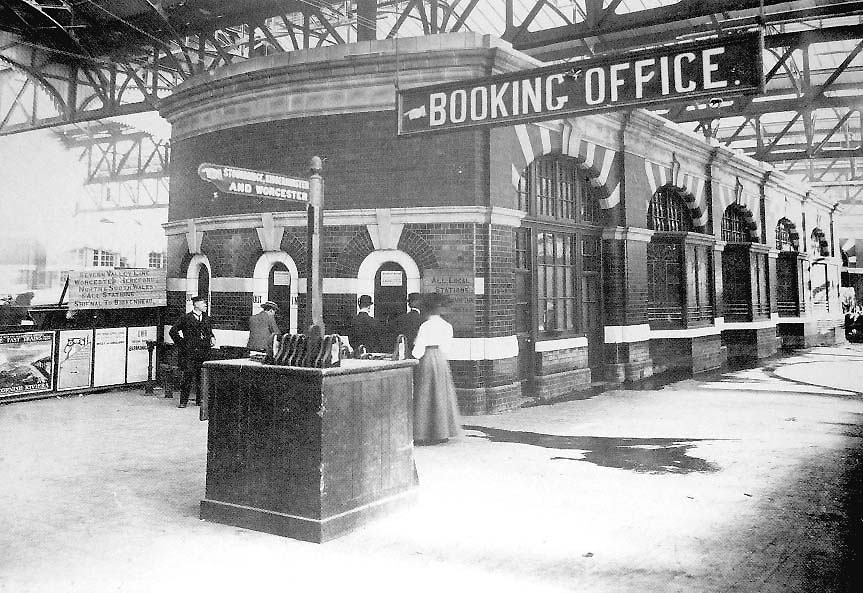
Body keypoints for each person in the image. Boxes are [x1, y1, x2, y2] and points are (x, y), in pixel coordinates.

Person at [411, 292, 463, 444]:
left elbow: (418, 349)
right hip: (440, 359)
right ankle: (442, 432)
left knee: (425, 394)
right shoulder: (447, 326)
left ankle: (424, 433)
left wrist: (414, 356)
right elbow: (447, 348)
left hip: (427, 359)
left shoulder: (425, 326)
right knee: (441, 394)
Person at [169, 295, 214, 408]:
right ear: (196, 304)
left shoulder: (207, 318)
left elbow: (209, 331)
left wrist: (212, 337)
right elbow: (173, 331)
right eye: (203, 303)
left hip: (203, 352)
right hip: (189, 353)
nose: (206, 305)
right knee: (187, 376)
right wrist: (182, 344)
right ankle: (183, 401)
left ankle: (200, 400)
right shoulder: (185, 318)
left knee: (201, 376)